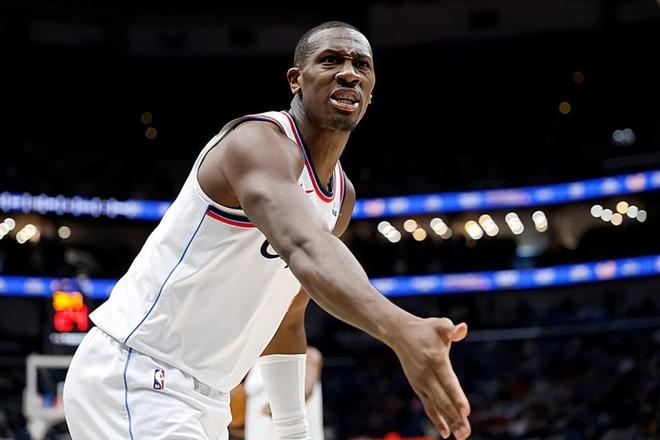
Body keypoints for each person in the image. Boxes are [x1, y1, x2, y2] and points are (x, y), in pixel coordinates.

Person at [62, 21, 471, 440]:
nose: (349, 73)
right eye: (330, 60)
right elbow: (305, 247)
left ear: (371, 89)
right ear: (296, 80)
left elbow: (285, 316)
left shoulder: (340, 196)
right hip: (139, 373)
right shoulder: (257, 141)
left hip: (207, 398)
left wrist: (293, 430)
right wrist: (402, 330)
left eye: (361, 65)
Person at [244, 347, 324, 440]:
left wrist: (273, 407)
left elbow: (306, 390)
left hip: (288, 431)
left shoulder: (309, 355)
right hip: (259, 432)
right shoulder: (256, 356)